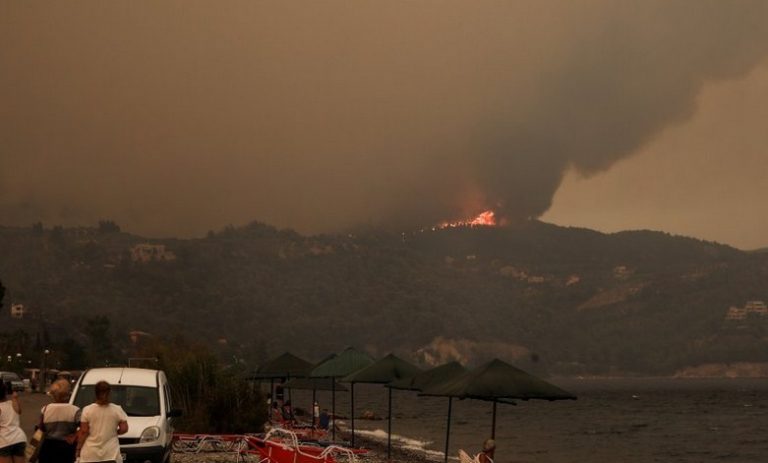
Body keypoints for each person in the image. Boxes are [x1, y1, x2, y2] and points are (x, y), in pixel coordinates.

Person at [77, 381, 128, 463]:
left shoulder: (87, 410)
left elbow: (84, 431)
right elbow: (124, 429)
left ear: (96, 393)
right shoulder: (117, 409)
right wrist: (114, 432)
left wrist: (78, 449)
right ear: (109, 393)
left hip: (90, 454)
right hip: (111, 454)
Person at [38, 379, 80, 463]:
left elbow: (41, 429)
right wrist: (75, 436)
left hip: (48, 448)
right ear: (68, 394)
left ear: (53, 395)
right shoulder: (75, 410)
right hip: (68, 448)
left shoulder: (45, 409)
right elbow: (83, 429)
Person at [0, 381, 26, 463]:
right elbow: (19, 411)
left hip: (4, 441)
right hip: (19, 438)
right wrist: (15, 398)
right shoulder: (13, 403)